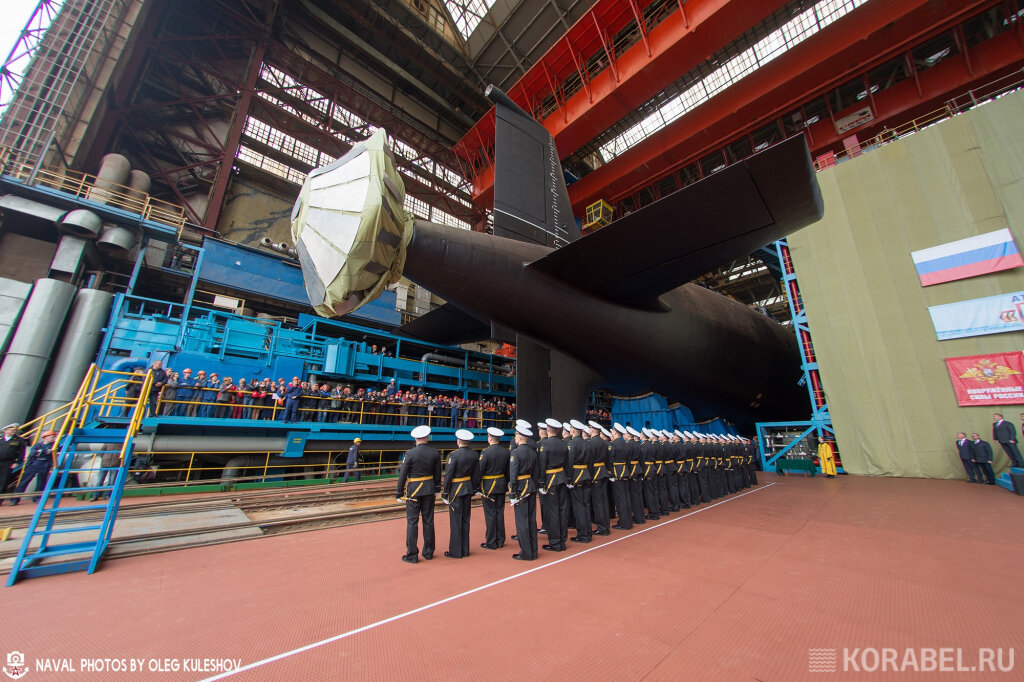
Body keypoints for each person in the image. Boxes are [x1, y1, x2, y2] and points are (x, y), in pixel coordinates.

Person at [395, 425, 441, 563]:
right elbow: (438, 473)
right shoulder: (435, 452)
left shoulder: (410, 454)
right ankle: (428, 552)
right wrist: (437, 488)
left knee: (412, 522)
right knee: (428, 521)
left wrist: (398, 492)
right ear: (427, 438)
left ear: (415, 439)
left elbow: (402, 474)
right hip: (429, 490)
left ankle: (412, 555)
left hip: (414, 490)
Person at [442, 429, 477, 559]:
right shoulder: (474, 455)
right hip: (467, 488)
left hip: (456, 489)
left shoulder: (454, 456)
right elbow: (476, 474)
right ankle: (465, 549)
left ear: (458, 441)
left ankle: (456, 551)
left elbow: (449, 475)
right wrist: (474, 488)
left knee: (455, 519)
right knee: (465, 519)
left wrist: (445, 492)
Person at [509, 423, 540, 560]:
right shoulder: (533, 453)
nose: (515, 437)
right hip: (531, 486)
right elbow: (536, 472)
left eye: (516, 435)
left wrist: (512, 493)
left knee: (521, 522)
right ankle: (533, 549)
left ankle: (526, 552)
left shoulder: (515, 453)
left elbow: (513, 474)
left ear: (520, 438)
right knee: (531, 520)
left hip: (521, 487)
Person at [538, 418, 569, 552]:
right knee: (562, 510)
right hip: (562, 477)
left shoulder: (545, 445)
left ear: (547, 430)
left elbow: (542, 465)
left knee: (553, 512)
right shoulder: (563, 444)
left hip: (550, 479)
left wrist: (541, 483)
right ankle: (562, 539)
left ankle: (555, 542)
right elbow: (567, 463)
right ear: (557, 430)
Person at [477, 427, 510, 549]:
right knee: (499, 512)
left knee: (490, 513)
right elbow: (508, 471)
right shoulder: (506, 452)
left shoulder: (485, 452)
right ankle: (500, 539)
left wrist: (477, 486)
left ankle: (491, 541)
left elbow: (480, 471)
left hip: (488, 486)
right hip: (501, 485)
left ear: (490, 438)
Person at [10, 430, 56, 505]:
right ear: (45, 437)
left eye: (54, 437)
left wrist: (40, 452)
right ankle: (15, 499)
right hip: (34, 464)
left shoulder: (54, 445)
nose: (53, 438)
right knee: (24, 482)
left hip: (45, 465)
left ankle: (37, 498)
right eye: (52, 437)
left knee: (41, 482)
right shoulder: (37, 445)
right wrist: (45, 451)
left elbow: (52, 452)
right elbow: (33, 452)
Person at [566, 420, 592, 543]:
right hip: (586, 474)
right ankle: (588, 532)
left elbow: (570, 462)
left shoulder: (572, 443)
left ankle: (583, 535)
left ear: (573, 430)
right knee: (586, 505)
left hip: (576, 476)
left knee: (578, 507)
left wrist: (569, 479)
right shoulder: (587, 443)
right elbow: (590, 462)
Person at [0, 423, 26, 500]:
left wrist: (17, 462)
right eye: (12, 430)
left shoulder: (19, 440)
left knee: (3, 481)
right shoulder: (1, 439)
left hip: (8, 462)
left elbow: (22, 453)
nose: (14, 431)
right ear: (5, 430)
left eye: (15, 430)